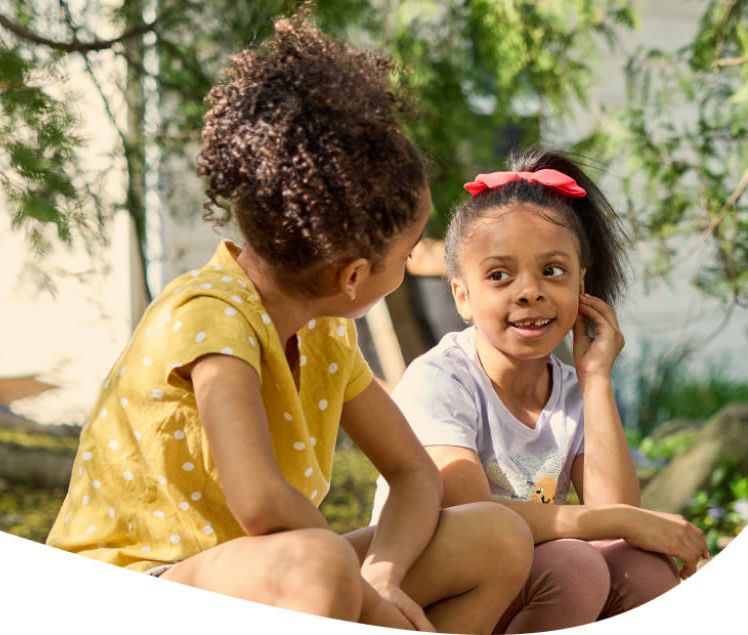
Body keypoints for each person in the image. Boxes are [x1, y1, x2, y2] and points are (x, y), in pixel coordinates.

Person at [46, 11, 535, 633]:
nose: (418, 260)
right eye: (408, 252)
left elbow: (414, 473)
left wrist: (382, 572)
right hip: (138, 584)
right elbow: (257, 503)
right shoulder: (210, 317)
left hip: (269, 573)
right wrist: (364, 599)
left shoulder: (327, 333)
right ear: (353, 277)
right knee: (321, 561)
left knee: (496, 534)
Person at [370, 147, 709, 633]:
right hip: (437, 586)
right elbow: (475, 521)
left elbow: (616, 507)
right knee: (576, 567)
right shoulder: (441, 379)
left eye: (552, 271)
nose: (529, 291)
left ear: (580, 286)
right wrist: (621, 521)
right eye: (499, 275)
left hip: (527, 568)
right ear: (461, 296)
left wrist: (596, 379)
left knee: (644, 570)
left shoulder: (572, 389)